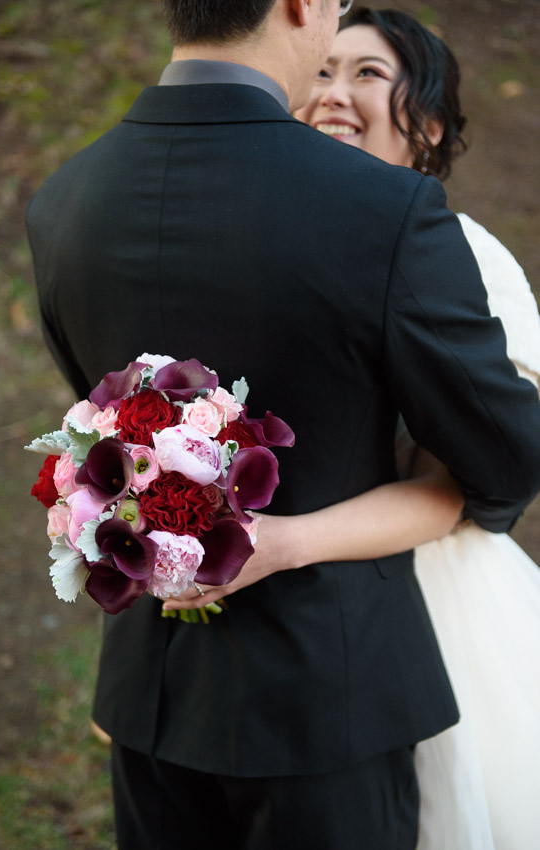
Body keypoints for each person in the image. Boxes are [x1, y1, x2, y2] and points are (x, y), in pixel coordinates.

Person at [25, 1, 540, 847]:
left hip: (152, 692)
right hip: (328, 698)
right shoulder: (387, 212)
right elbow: (504, 460)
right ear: (302, 6)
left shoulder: (63, 201)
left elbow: (99, 415)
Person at [290, 8, 540, 848]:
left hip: (429, 608)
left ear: (426, 126)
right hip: (278, 613)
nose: (332, 93)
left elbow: (462, 484)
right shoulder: (263, 243)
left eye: (365, 74)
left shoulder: (462, 257)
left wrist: (281, 542)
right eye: (320, 72)